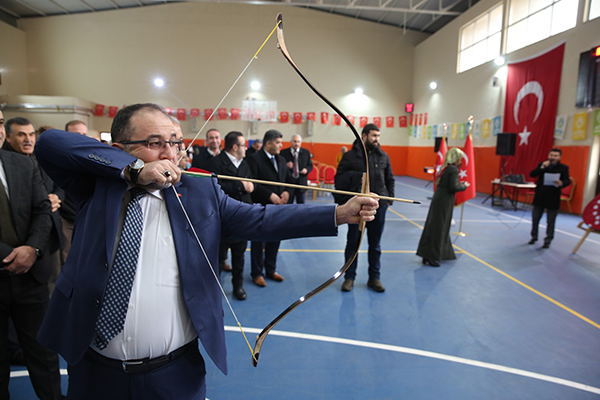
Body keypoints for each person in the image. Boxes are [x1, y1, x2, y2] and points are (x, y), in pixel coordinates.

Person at [34, 103, 378, 399]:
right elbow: (50, 143)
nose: (170, 153)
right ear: (122, 148)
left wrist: (340, 213)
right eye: (155, 143)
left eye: (175, 142)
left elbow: (261, 219)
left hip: (173, 374)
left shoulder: (200, 192)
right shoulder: (98, 184)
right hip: (95, 371)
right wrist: (135, 171)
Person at [0, 145, 64, 399]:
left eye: (1, 123)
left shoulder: (24, 164)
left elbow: (42, 208)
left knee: (43, 351)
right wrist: (9, 254)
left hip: (31, 274)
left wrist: (32, 249)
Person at [4, 117, 65, 295]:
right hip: (21, 245)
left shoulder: (41, 158)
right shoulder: (7, 164)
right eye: (21, 135)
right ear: (8, 137)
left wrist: (55, 197)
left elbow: (58, 184)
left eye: (31, 134)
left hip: (48, 236)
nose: (28, 140)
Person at [335, 124, 394, 293]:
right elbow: (339, 180)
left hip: (378, 208)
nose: (377, 139)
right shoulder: (350, 157)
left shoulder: (383, 156)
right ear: (364, 136)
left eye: (378, 136)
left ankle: (374, 278)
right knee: (353, 243)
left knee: (375, 245)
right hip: (357, 209)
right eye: (374, 135)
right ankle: (349, 277)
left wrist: (388, 200)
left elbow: (390, 178)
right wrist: (355, 181)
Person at [209, 131, 254, 300]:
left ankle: (238, 286)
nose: (246, 149)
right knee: (219, 257)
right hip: (224, 218)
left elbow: (249, 180)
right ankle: (214, 288)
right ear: (235, 147)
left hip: (242, 217)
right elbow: (215, 187)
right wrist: (240, 186)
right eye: (244, 145)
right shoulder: (215, 163)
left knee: (239, 255)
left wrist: (250, 186)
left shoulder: (244, 163)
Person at [246, 129, 293, 287]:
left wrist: (287, 192)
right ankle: (257, 273)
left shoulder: (281, 160)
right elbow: (253, 183)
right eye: (278, 142)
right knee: (259, 241)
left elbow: (289, 180)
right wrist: (269, 195)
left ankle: (271, 269)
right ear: (268, 143)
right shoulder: (254, 159)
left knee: (275, 239)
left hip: (279, 208)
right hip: (261, 205)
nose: (281, 145)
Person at [416, 148, 469, 267]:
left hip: (438, 198)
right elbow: (453, 188)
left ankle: (426, 254)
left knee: (432, 226)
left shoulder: (444, 168)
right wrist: (464, 186)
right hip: (445, 201)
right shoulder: (453, 169)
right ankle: (433, 257)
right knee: (440, 228)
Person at [528, 148, 570, 249]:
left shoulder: (563, 168)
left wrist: (562, 183)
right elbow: (532, 174)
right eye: (551, 155)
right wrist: (542, 167)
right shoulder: (542, 165)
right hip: (540, 196)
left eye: (555, 156)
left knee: (551, 221)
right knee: (535, 218)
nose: (553, 158)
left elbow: (567, 180)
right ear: (548, 156)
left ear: (559, 157)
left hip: (553, 197)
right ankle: (534, 236)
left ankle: (548, 240)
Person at [280, 134, 313, 204]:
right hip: (288, 184)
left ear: (301, 143)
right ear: (291, 142)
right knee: (287, 204)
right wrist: (286, 165)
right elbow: (279, 167)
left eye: (298, 142)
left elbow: (310, 165)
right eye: (295, 141)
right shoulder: (283, 153)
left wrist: (306, 170)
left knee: (301, 205)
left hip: (301, 182)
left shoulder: (306, 152)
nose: (296, 143)